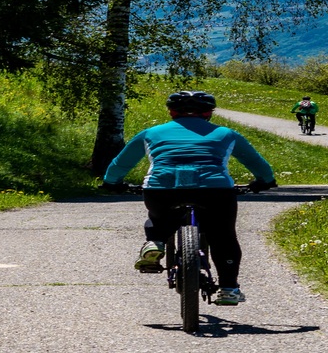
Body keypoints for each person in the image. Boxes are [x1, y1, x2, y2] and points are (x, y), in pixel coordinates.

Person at [101, 90, 276, 306]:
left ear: (171, 111)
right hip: (214, 190)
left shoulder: (151, 133)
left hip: (162, 189)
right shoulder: (226, 134)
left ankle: (155, 242)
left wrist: (112, 182)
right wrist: (265, 180)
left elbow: (121, 163)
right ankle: (229, 288)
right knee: (223, 236)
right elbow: (256, 162)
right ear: (209, 113)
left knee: (159, 217)